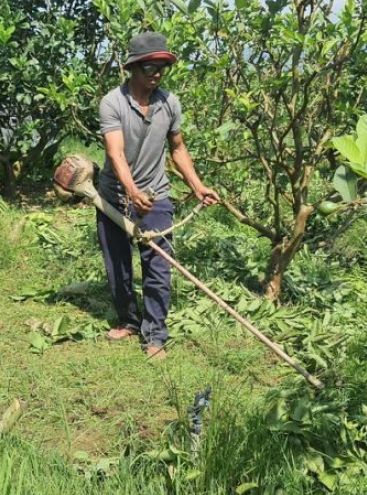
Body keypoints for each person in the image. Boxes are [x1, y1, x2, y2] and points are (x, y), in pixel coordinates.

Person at [97, 32, 219, 359]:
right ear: (133, 68)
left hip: (157, 195)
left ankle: (154, 335)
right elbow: (116, 154)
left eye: (162, 67)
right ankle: (129, 321)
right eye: (150, 66)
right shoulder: (113, 103)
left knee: (158, 267)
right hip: (114, 196)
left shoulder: (169, 102)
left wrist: (197, 185)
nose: (156, 73)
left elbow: (178, 149)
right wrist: (131, 191)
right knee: (118, 266)